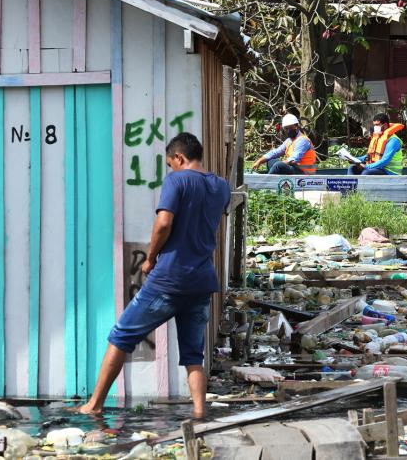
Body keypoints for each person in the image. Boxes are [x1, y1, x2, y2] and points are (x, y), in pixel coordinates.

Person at [78, 133, 230, 419]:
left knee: (121, 336)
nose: (170, 169)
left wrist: (149, 258)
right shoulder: (221, 186)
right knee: (193, 355)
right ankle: (199, 414)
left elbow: (164, 223)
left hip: (169, 279)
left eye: (170, 163)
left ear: (179, 158)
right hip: (201, 281)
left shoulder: (177, 180)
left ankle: (95, 404)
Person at [250, 114, 317, 175]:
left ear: (296, 126)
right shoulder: (289, 141)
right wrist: (259, 161)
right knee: (271, 160)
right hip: (295, 167)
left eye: (290, 128)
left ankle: (266, 180)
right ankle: (274, 176)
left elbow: (294, 160)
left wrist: (280, 164)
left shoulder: (302, 140)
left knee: (278, 165)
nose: (288, 130)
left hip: (305, 171)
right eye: (286, 128)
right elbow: (276, 152)